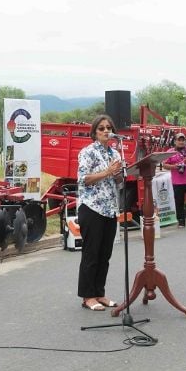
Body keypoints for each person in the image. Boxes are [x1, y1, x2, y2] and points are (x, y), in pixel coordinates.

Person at [76, 114, 123, 311]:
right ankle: (88, 296)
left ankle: (100, 293)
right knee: (91, 254)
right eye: (101, 128)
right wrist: (107, 172)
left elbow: (118, 181)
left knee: (105, 254)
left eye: (108, 128)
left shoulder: (115, 154)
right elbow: (83, 179)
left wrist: (120, 175)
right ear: (94, 132)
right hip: (92, 207)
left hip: (110, 209)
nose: (106, 131)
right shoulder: (88, 152)